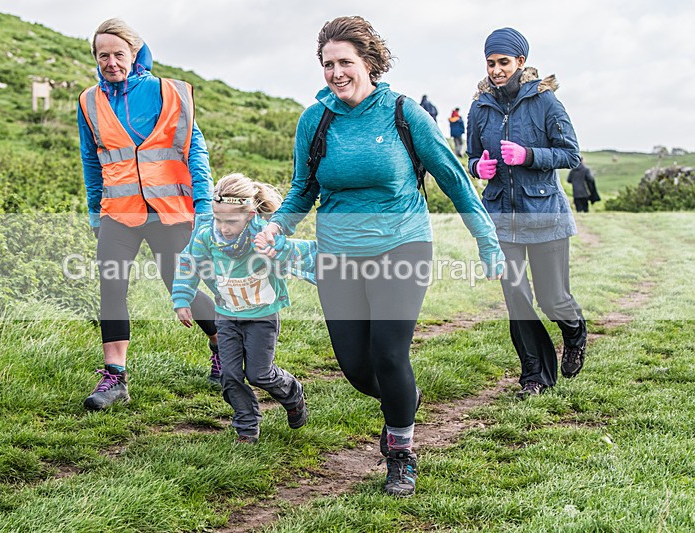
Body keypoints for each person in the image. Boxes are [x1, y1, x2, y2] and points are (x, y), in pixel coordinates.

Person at [255, 16, 503, 497]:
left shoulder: (403, 113)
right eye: (327, 64)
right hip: (338, 255)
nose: (335, 72)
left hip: (401, 246)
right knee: (356, 367)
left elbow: (454, 179)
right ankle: (403, 399)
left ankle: (401, 451)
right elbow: (302, 189)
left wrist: (486, 239)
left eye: (344, 62)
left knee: (390, 353)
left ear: (369, 62)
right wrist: (275, 227)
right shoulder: (316, 119)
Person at [77, 18, 221, 411]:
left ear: (135, 54)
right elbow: (92, 161)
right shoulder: (89, 101)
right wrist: (95, 212)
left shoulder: (173, 93)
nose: (111, 62)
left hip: (170, 209)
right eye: (103, 55)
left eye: (118, 54)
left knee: (180, 287)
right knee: (111, 288)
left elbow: (196, 153)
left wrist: (204, 209)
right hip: (118, 212)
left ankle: (221, 339)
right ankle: (114, 378)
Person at [466, 27, 587, 400]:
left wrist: (528, 155)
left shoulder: (546, 101)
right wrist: (478, 168)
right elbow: (472, 155)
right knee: (517, 300)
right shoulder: (479, 106)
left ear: (521, 62)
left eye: (504, 62)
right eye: (491, 63)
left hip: (546, 216)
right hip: (501, 217)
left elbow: (571, 154)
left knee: (552, 299)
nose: (497, 70)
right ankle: (534, 376)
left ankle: (574, 330)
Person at [172, 173, 315, 444]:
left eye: (231, 221)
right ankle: (246, 426)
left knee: (259, 373)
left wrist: (274, 249)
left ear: (250, 214)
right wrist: (182, 299)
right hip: (226, 316)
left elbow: (294, 253)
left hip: (261, 317)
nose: (223, 227)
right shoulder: (206, 237)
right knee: (230, 375)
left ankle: (292, 393)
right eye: (218, 219)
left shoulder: (263, 234)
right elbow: (189, 264)